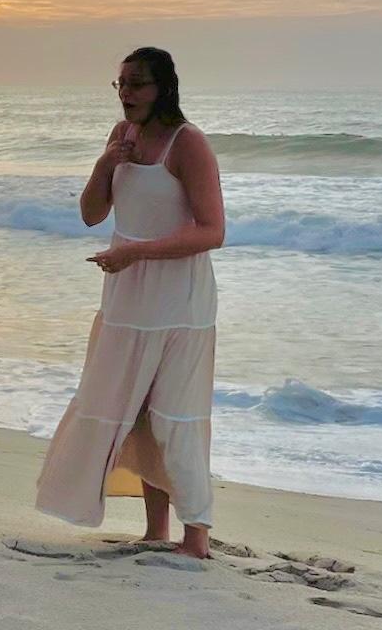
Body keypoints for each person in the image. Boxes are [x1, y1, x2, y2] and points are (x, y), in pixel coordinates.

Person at [35, 47, 225, 558]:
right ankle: (155, 530)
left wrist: (136, 253)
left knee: (175, 416)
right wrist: (105, 164)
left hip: (178, 301)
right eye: (120, 83)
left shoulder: (188, 143)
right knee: (133, 412)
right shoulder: (122, 137)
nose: (126, 93)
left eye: (137, 83)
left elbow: (212, 231)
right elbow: (91, 214)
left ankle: (197, 536)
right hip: (125, 297)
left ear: (164, 87)